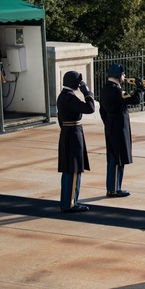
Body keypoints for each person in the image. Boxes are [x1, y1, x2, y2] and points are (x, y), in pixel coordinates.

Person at [99, 63, 144, 198]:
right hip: (118, 125)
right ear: (118, 75)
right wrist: (140, 87)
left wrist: (108, 123)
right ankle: (114, 188)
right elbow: (135, 100)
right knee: (118, 157)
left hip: (110, 123)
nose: (124, 76)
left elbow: (102, 110)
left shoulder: (104, 89)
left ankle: (113, 187)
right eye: (123, 74)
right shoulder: (116, 90)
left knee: (114, 156)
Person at [56, 70, 95, 213]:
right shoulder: (69, 98)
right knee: (73, 170)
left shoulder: (62, 96)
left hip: (67, 133)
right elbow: (90, 108)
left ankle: (66, 201)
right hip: (73, 136)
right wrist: (87, 93)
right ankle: (70, 203)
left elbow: (60, 119)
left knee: (68, 170)